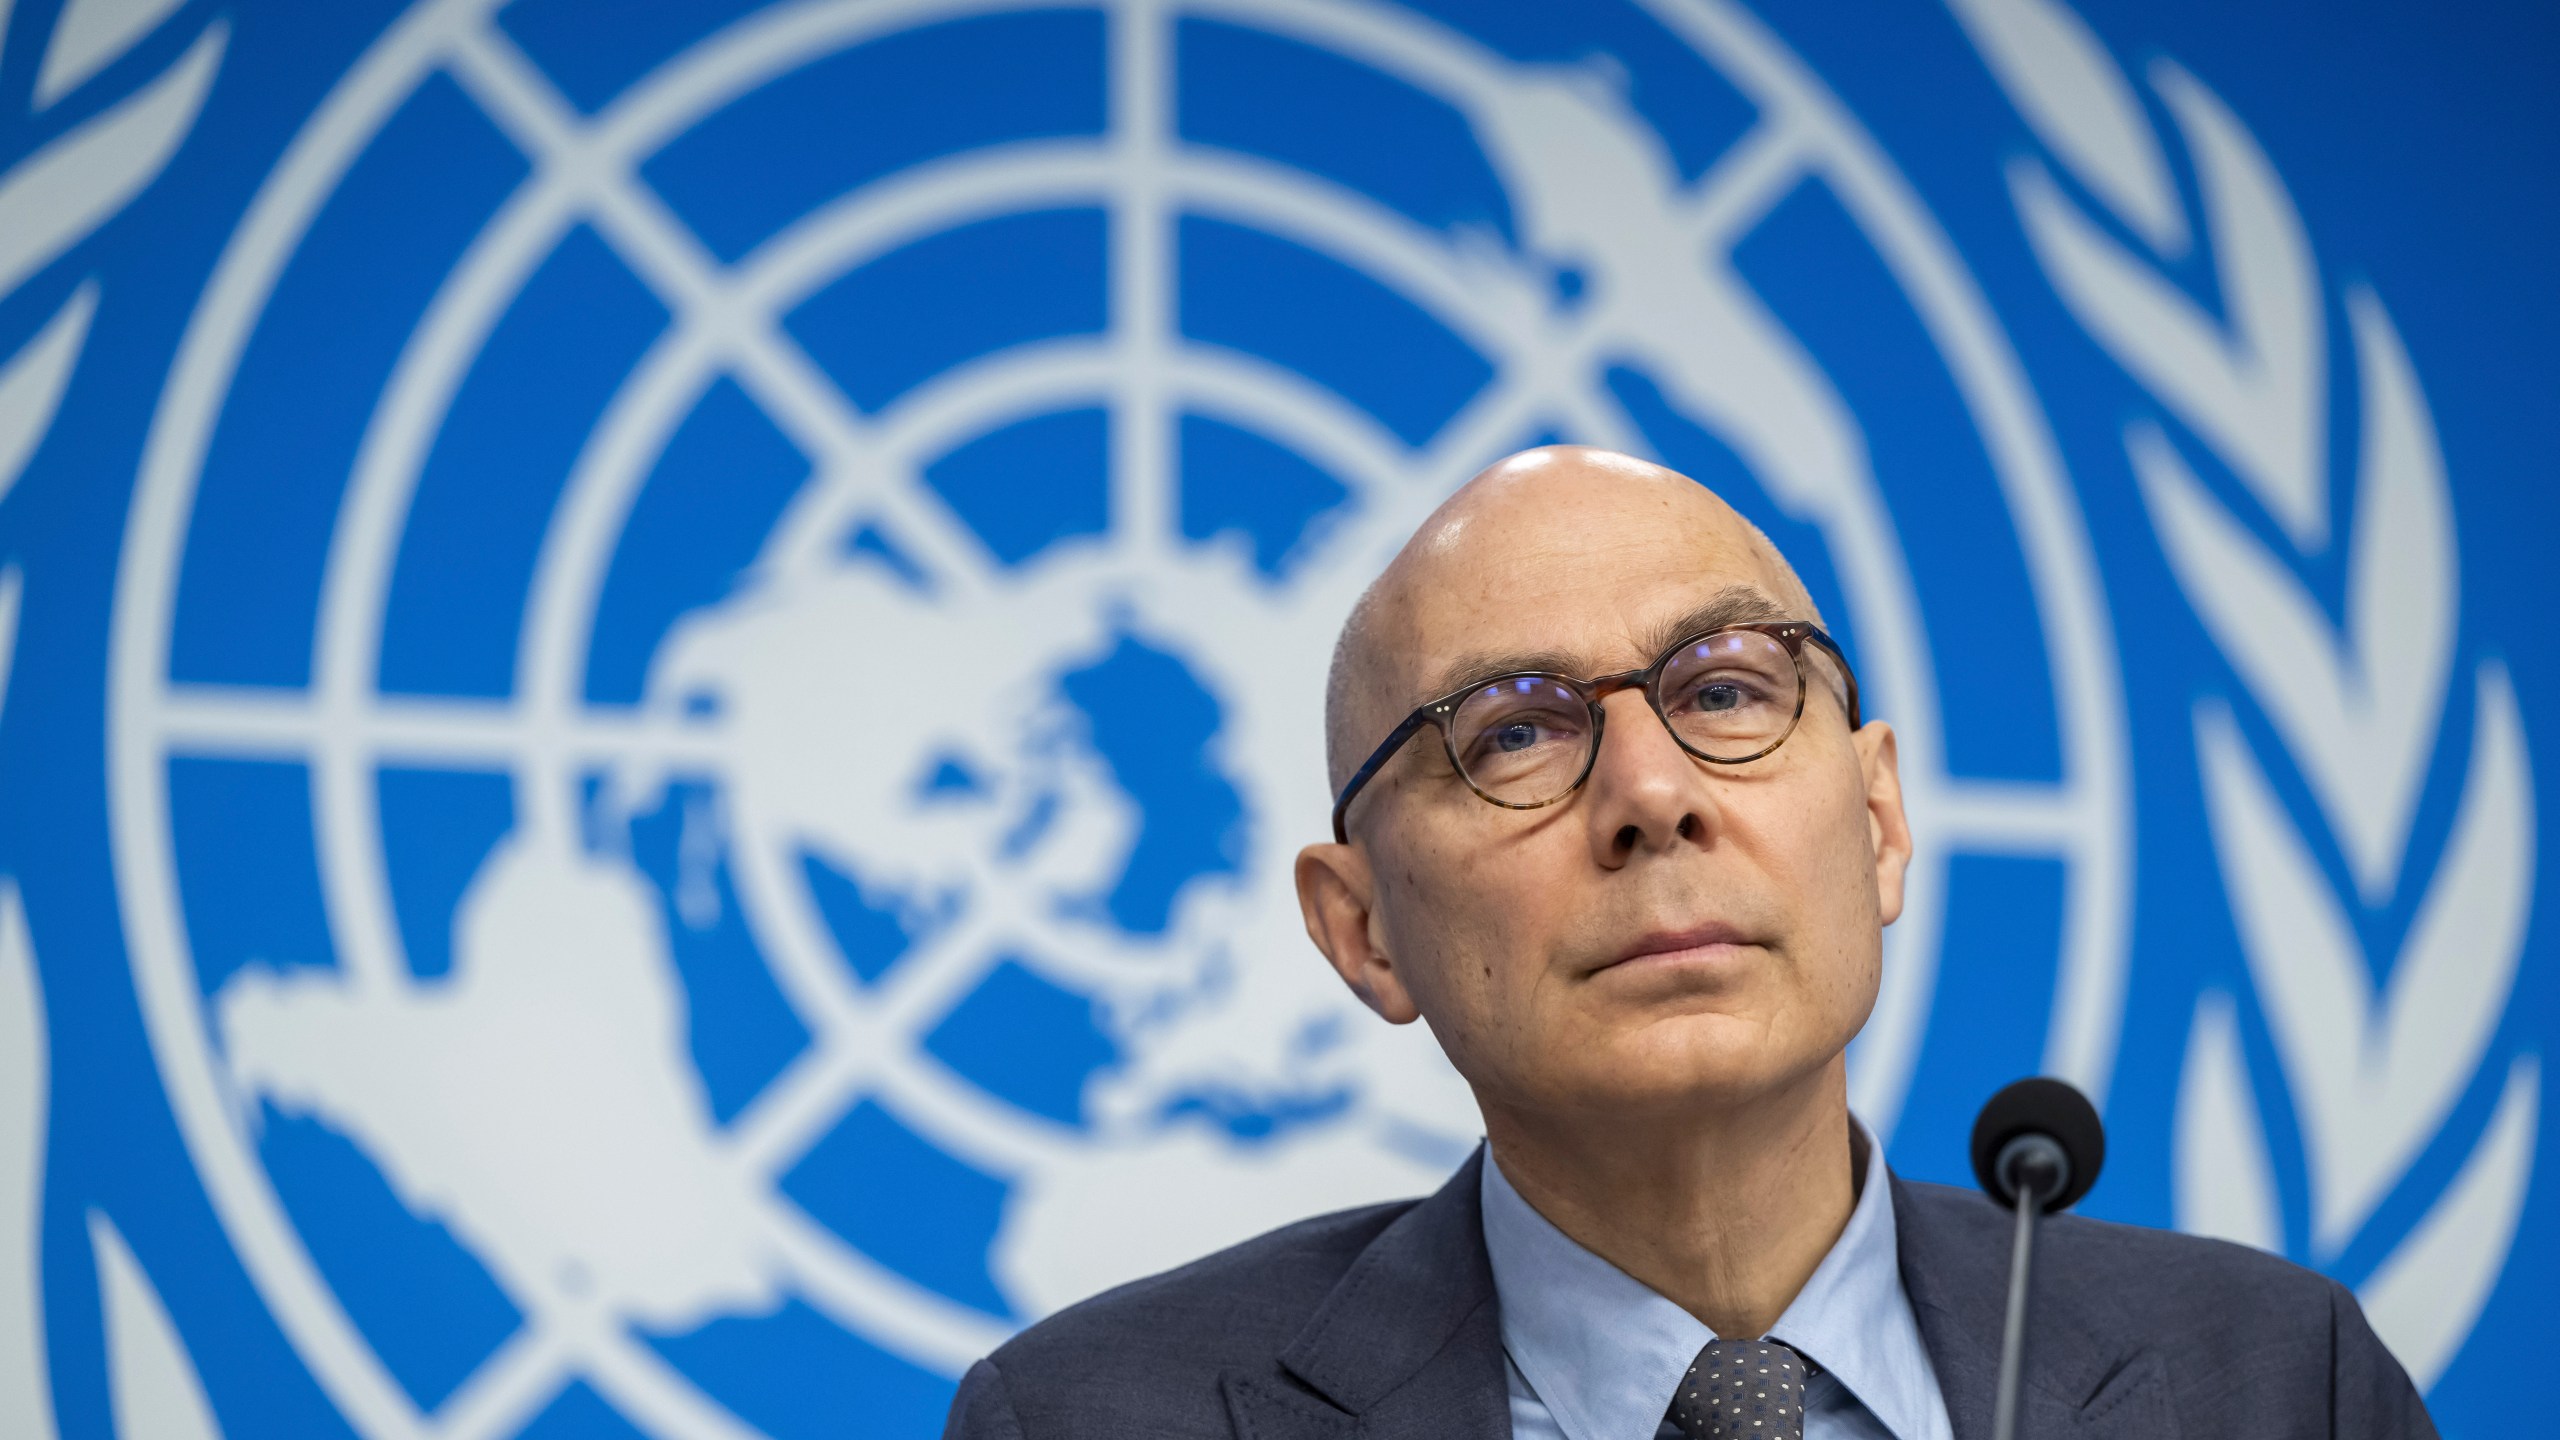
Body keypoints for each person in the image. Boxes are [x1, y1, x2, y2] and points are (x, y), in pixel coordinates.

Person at [941, 446, 2434, 1440]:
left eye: (1726, 693)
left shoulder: (2274, 1380)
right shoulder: (1092, 1418)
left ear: (1879, 819)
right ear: (1363, 930)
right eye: (1515, 732)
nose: (1651, 798)